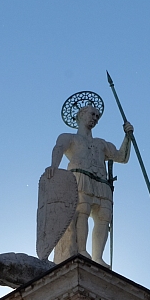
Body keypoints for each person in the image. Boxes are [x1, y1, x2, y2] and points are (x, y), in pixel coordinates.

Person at [45, 104, 133, 266]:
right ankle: (81, 249)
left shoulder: (101, 143)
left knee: (103, 217)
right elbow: (58, 148)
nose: (95, 119)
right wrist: (54, 166)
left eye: (97, 117)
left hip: (101, 182)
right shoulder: (69, 137)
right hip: (80, 176)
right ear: (81, 114)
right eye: (92, 114)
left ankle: (98, 257)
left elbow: (122, 157)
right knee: (82, 211)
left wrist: (128, 137)